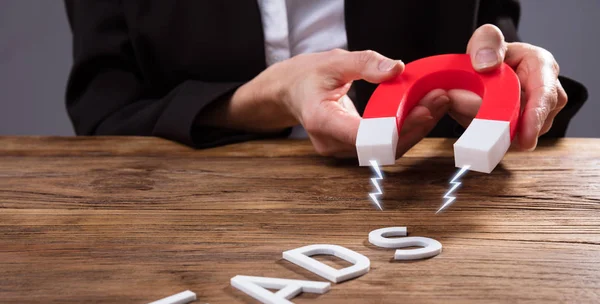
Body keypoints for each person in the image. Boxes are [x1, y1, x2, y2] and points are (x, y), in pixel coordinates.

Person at [64, 0, 587, 160]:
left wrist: (511, 77)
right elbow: (105, 110)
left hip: (423, 196)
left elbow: (489, 43)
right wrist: (265, 98)